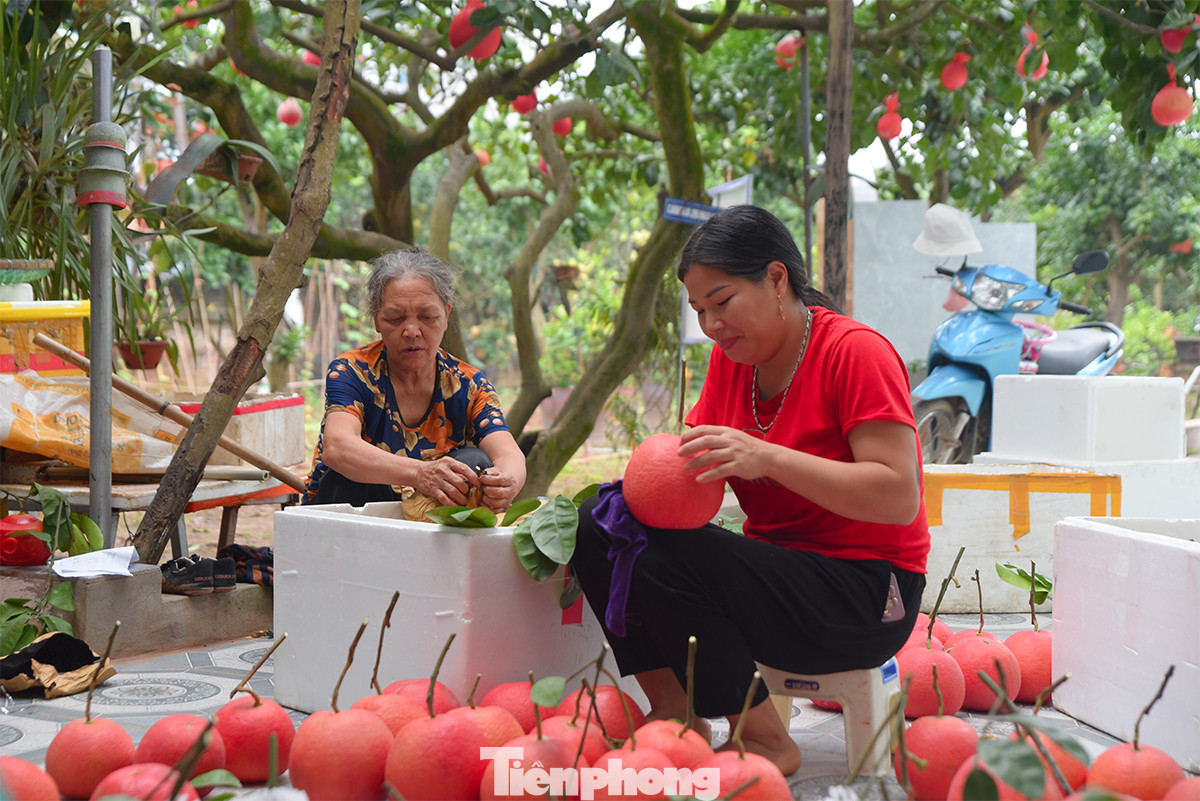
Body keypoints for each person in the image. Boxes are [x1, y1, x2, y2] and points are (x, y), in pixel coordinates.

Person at [570, 205, 930, 775]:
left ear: (776, 278)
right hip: (777, 584)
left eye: (722, 302)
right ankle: (675, 710)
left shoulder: (855, 352)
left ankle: (764, 739)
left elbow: (897, 495)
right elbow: (688, 482)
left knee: (668, 557)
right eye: (700, 311)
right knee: (601, 520)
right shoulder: (730, 363)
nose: (712, 325)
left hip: (868, 595)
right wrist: (650, 483)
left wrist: (767, 458)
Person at [302, 247, 525, 513]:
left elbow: (509, 454)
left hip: (431, 528)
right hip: (349, 523)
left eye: (427, 317)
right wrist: (421, 473)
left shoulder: (469, 385)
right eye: (395, 318)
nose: (411, 331)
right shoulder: (352, 372)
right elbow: (337, 447)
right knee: (350, 477)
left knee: (475, 462)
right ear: (376, 320)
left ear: (446, 316)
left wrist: (506, 483)